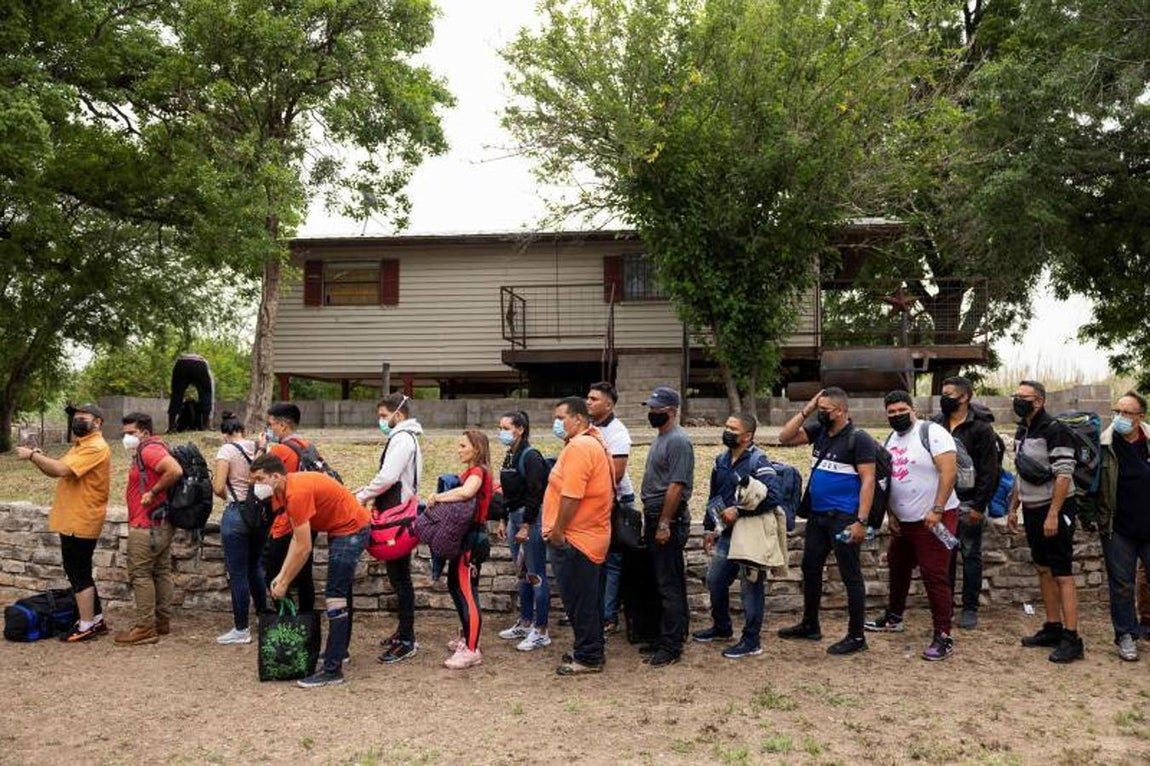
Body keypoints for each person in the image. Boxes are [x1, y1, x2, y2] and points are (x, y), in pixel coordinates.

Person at [250, 454, 370, 688]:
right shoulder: (287, 489)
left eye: (259, 479)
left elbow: (303, 546)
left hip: (351, 530)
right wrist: (282, 577)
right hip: (345, 529)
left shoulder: (296, 493)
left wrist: (284, 581)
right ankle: (338, 651)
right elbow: (297, 539)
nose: (256, 485)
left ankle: (332, 669)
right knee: (340, 594)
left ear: (275, 476)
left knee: (335, 598)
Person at [776, 387, 875, 656]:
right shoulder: (819, 431)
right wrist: (807, 409)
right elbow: (785, 437)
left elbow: (868, 480)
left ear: (842, 411)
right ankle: (810, 624)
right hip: (818, 515)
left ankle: (856, 636)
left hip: (844, 517)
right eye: (819, 409)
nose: (821, 414)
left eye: (826, 410)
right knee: (810, 568)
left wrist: (861, 521)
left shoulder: (858, 439)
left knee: (850, 575)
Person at [865, 390, 961, 661]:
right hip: (904, 521)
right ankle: (894, 617)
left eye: (901, 410)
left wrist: (938, 509)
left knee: (935, 576)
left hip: (934, 520)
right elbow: (890, 479)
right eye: (891, 412)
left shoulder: (932, 433)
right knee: (898, 565)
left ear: (912, 409)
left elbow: (949, 471)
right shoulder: (891, 438)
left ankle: (943, 634)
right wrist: (891, 514)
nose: (896, 416)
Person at [15, 403, 111, 642]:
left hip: (82, 519)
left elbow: (60, 470)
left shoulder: (96, 446)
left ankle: (86, 625)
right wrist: (38, 457)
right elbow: (55, 469)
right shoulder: (81, 446)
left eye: (83, 417)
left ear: (97, 422)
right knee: (80, 571)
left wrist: (32, 455)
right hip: (72, 518)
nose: (77, 420)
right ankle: (96, 620)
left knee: (78, 573)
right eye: (76, 417)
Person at [1007, 380, 1083, 663]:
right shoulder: (1023, 430)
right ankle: (1053, 627)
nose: (1016, 400)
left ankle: (1072, 637)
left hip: (1055, 509)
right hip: (1033, 508)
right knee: (1043, 568)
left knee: (1062, 572)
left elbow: (1063, 475)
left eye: (1021, 396)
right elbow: (1021, 472)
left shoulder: (1056, 430)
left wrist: (1053, 514)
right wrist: (1014, 507)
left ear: (1038, 401)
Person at [695, 413, 780, 659]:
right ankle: (722, 627)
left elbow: (773, 496)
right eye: (726, 426)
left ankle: (752, 640)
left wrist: (740, 511)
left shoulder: (758, 461)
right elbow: (715, 495)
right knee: (715, 580)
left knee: (750, 588)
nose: (727, 431)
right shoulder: (720, 460)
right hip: (726, 535)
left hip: (750, 535)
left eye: (733, 428)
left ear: (748, 436)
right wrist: (710, 528)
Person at [544, 396, 615, 675]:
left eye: (561, 418)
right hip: (589, 535)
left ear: (579, 419)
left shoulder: (581, 447)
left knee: (580, 601)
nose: (557, 423)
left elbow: (572, 496)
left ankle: (588, 657)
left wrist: (559, 533)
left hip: (577, 538)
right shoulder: (593, 442)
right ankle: (589, 648)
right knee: (588, 599)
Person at [356, 393, 423, 664]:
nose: (381, 421)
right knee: (398, 578)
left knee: (401, 578)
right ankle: (403, 632)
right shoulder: (405, 438)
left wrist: (362, 495)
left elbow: (388, 477)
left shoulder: (402, 439)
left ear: (399, 414)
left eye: (384, 416)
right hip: (397, 512)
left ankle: (407, 639)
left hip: (396, 516)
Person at [1083, 391, 1150, 661]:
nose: (1120, 417)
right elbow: (1089, 483)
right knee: (1121, 584)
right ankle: (1126, 635)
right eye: (1117, 411)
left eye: (1127, 413)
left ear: (1140, 417)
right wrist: (1090, 517)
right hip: (1117, 527)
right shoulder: (1104, 444)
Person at [933, 376, 1001, 630]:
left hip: (969, 501)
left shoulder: (980, 428)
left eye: (949, 393)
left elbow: (989, 471)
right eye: (943, 392)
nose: (944, 397)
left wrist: (979, 507)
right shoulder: (936, 424)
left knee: (970, 554)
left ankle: (970, 608)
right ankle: (945, 605)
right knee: (944, 555)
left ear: (964, 397)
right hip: (942, 502)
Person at [426, 430, 493, 669]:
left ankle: (472, 649)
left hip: (471, 542)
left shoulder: (477, 472)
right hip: (466, 539)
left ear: (476, 448)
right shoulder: (474, 470)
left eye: (463, 445)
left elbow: (467, 492)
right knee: (456, 587)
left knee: (467, 593)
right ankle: (466, 637)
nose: (459, 449)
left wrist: (438, 497)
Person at [117, 412, 183, 646]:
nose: (126, 438)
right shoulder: (149, 449)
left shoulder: (149, 449)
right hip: (159, 523)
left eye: (131, 433)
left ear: (144, 432)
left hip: (146, 524)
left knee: (141, 574)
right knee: (161, 571)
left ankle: (145, 627)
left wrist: (152, 492)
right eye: (124, 433)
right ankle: (161, 621)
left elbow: (174, 470)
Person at [640, 386, 694, 667]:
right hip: (655, 516)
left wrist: (664, 522)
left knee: (668, 583)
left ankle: (672, 645)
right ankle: (664, 636)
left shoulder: (678, 441)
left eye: (656, 409)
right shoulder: (661, 437)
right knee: (658, 580)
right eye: (650, 408)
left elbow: (676, 486)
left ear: (671, 411)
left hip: (666, 518)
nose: (652, 413)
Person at [495, 411, 552, 652]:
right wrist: (503, 519)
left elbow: (535, 492)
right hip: (513, 518)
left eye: (506, 427)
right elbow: (507, 492)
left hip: (530, 520)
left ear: (520, 429)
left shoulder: (531, 457)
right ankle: (525, 621)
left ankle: (541, 630)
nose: (502, 432)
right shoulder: (510, 456)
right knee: (522, 573)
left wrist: (527, 524)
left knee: (535, 574)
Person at [211, 411, 265, 645]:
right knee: (256, 567)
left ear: (225, 434)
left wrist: (228, 497)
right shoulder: (260, 447)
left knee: (238, 573)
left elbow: (218, 485)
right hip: (259, 513)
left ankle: (241, 628)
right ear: (243, 430)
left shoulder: (227, 450)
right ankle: (264, 616)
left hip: (237, 513)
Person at [586, 381, 636, 634]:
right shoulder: (589, 428)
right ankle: (594, 611)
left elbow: (615, 474)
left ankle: (608, 617)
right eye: (588, 398)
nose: (588, 402)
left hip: (617, 502)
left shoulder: (617, 432)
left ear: (609, 404)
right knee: (595, 559)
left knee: (613, 560)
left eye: (594, 399)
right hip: (594, 502)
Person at [258, 402, 317, 612]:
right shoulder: (307, 445)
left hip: (286, 519)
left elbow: (258, 480)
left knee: (274, 570)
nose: (269, 429)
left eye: (271, 424)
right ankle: (307, 621)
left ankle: (284, 622)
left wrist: (260, 448)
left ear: (283, 425)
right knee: (304, 572)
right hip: (309, 515)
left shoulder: (280, 450)